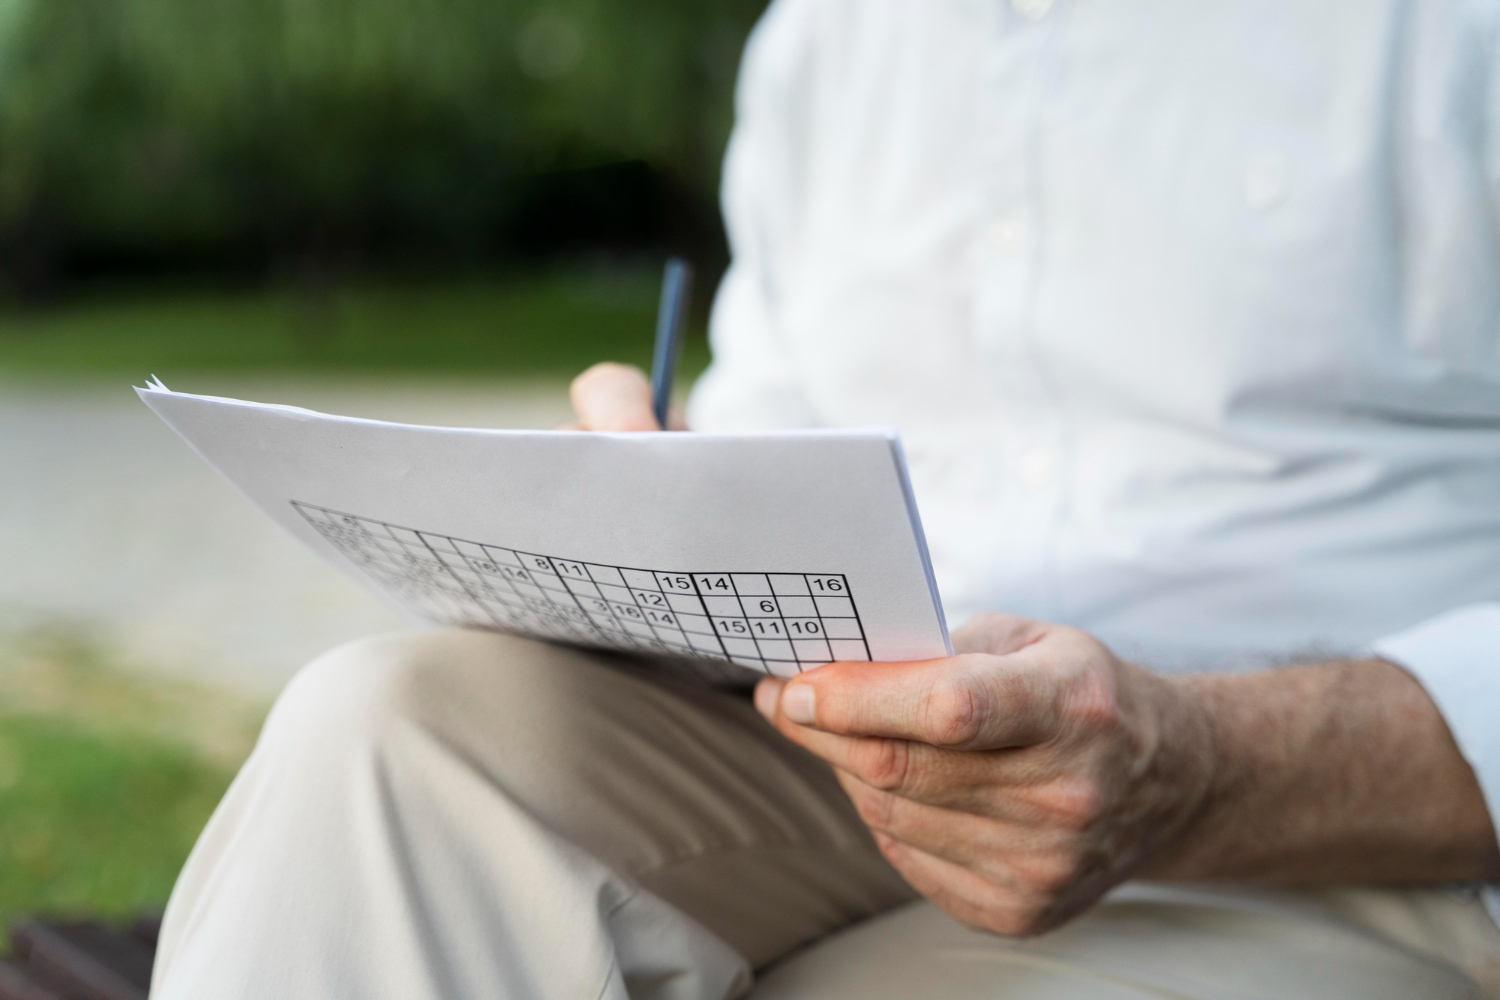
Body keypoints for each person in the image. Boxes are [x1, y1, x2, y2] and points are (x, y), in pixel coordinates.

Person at [148, 1, 1500, 997]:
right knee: (378, 731)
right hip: (841, 773)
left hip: (1340, 854)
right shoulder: (830, 35)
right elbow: (782, 421)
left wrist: (1199, 766)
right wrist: (657, 502)